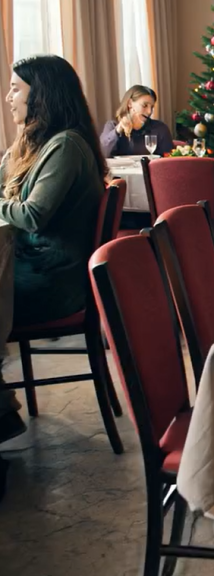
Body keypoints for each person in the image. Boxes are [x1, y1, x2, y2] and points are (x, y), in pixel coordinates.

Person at [0, 55, 106, 445]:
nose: (8, 97)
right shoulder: (32, 143)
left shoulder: (64, 147)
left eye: (15, 88)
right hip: (33, 268)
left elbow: (32, 215)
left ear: (39, 94)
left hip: (52, 282)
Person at [100, 85, 173, 157]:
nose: (149, 111)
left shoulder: (160, 128)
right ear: (130, 104)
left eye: (152, 107)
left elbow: (168, 160)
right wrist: (117, 131)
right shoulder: (112, 125)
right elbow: (101, 154)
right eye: (145, 105)